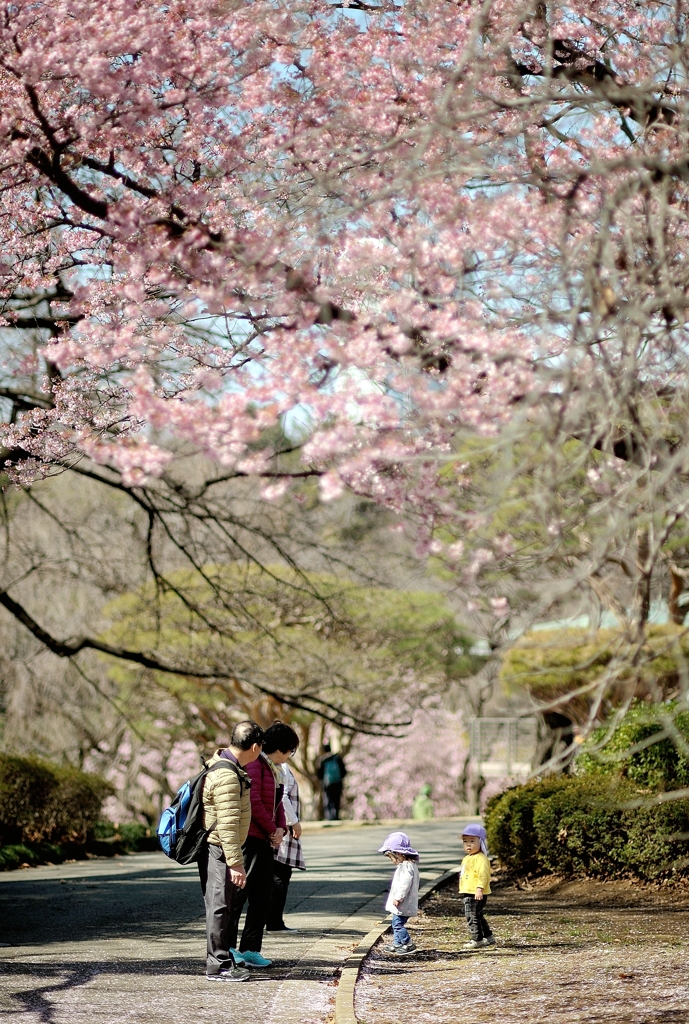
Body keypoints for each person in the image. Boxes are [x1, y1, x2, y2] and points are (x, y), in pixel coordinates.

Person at [198, 719, 264, 982]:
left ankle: (220, 961)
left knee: (221, 905)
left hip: (218, 847)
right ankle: (218, 966)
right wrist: (236, 863)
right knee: (220, 906)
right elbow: (226, 825)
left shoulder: (226, 765)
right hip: (218, 848)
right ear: (256, 747)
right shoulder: (227, 775)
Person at [228, 720, 288, 967]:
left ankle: (251, 948)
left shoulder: (271, 768)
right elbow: (251, 801)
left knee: (263, 896)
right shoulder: (254, 764)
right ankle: (229, 948)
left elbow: (277, 801)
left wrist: (280, 827)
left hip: (265, 838)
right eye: (290, 749)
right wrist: (271, 828)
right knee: (239, 895)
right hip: (250, 837)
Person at [263, 721, 306, 932]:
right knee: (279, 876)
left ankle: (272, 921)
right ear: (280, 748)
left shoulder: (274, 766)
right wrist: (294, 822)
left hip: (279, 827)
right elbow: (283, 799)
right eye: (291, 749)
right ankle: (274, 922)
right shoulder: (276, 767)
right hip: (279, 829)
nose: (291, 753)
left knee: (277, 876)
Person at [378, 831, 420, 956]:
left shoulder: (407, 867)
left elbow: (405, 884)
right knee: (395, 922)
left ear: (399, 854)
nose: (392, 860)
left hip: (403, 902)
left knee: (397, 924)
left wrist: (399, 897)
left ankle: (408, 943)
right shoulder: (408, 865)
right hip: (403, 903)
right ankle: (397, 943)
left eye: (392, 857)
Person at [459, 823, 496, 950]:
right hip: (469, 892)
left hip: (475, 893)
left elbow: (483, 875)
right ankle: (488, 936)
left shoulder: (481, 859)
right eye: (465, 841)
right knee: (478, 915)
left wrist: (479, 889)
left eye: (472, 841)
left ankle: (477, 939)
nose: (468, 844)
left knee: (472, 915)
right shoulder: (467, 858)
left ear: (480, 842)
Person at [317, 742, 347, 819]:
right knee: (336, 800)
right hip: (337, 783)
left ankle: (330, 817)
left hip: (328, 784)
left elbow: (319, 774)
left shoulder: (323, 760)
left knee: (329, 800)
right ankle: (336, 816)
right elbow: (344, 771)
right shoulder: (337, 758)